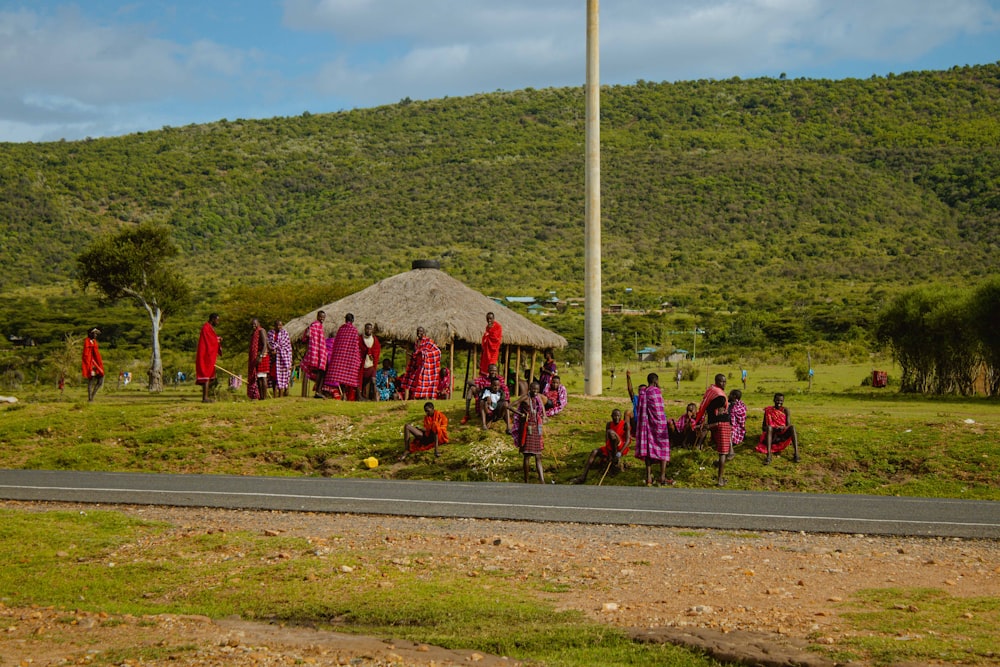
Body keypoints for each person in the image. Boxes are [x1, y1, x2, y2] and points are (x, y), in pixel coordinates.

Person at [573, 408, 631, 484]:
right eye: (614, 416)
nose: (616, 418)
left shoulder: (625, 424)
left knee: (611, 432)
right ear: (611, 416)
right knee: (594, 452)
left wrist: (619, 453)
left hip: (621, 447)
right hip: (610, 447)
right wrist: (609, 454)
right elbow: (607, 441)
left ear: (620, 416)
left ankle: (614, 457)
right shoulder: (609, 424)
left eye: (618, 416)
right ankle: (583, 476)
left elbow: (627, 441)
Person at [633, 372, 671, 486]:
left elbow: (641, 411)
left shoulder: (643, 393)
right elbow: (660, 412)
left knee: (648, 451)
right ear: (655, 381)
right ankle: (662, 477)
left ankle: (649, 477)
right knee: (664, 449)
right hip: (659, 427)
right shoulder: (656, 392)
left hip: (646, 427)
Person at [696, 373, 731, 486]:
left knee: (723, 450)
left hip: (715, 423)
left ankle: (727, 457)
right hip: (722, 424)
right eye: (722, 381)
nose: (724, 383)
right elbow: (718, 411)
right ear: (717, 381)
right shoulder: (720, 396)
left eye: (725, 381)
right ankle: (720, 480)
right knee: (722, 453)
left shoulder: (711, 391)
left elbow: (708, 408)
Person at [511, 381, 546, 483]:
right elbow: (509, 406)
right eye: (533, 389)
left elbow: (542, 410)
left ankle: (542, 481)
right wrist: (520, 414)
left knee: (538, 455)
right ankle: (526, 481)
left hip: (536, 428)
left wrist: (543, 417)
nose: (535, 391)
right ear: (529, 389)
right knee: (527, 455)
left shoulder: (538, 398)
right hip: (527, 428)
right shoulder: (525, 397)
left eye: (537, 390)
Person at [755, 393, 800, 464]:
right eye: (777, 400)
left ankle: (796, 454)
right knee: (769, 427)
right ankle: (769, 456)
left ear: (783, 401)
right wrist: (773, 428)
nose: (779, 402)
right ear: (774, 400)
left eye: (781, 401)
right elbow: (763, 427)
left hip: (782, 435)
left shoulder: (785, 410)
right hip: (772, 436)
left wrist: (782, 427)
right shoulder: (768, 410)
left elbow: (788, 425)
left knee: (792, 427)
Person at [327, 313, 362, 400]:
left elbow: (336, 344)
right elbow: (355, 346)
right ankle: (345, 395)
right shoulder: (354, 330)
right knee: (348, 376)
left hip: (340, 358)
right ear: (353, 320)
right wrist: (357, 358)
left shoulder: (341, 329)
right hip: (349, 358)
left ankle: (343, 394)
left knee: (341, 376)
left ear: (345, 320)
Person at [401, 327, 441, 400]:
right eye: (418, 331)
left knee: (424, 383)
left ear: (424, 332)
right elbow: (417, 354)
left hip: (425, 366)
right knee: (416, 382)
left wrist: (424, 354)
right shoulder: (416, 343)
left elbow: (437, 351)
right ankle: (417, 398)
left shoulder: (428, 341)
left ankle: (425, 398)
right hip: (418, 366)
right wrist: (414, 356)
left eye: (421, 331)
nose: (419, 333)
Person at [301, 311, 328, 398]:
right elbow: (307, 335)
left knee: (322, 371)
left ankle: (318, 391)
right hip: (315, 352)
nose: (322, 318)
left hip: (320, 351)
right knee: (321, 371)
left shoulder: (320, 326)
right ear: (317, 316)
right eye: (320, 317)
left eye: (323, 317)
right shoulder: (314, 325)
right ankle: (318, 391)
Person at [195, 313, 221, 403]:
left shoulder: (209, 328)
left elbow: (211, 339)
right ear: (213, 319)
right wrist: (217, 340)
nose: (218, 322)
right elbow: (210, 341)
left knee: (210, 377)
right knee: (206, 376)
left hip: (207, 356)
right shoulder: (206, 327)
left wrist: (217, 339)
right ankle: (205, 398)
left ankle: (206, 396)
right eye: (217, 320)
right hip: (205, 356)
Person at [268, 320, 292, 397]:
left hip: (282, 361)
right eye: (277, 325)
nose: (279, 327)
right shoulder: (270, 334)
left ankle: (281, 395)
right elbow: (268, 344)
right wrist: (272, 350)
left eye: (280, 325)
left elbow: (287, 347)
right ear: (274, 326)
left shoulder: (285, 334)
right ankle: (275, 395)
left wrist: (277, 351)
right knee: (274, 378)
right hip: (273, 360)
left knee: (281, 378)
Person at [247, 318, 269, 400]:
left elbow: (264, 345)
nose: (253, 325)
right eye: (252, 324)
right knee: (259, 377)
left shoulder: (261, 331)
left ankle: (264, 397)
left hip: (262, 356)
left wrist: (260, 356)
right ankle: (261, 396)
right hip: (257, 357)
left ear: (258, 323)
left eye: (255, 324)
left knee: (263, 377)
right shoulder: (253, 333)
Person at [82, 327, 105, 402]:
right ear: (90, 334)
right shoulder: (87, 342)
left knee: (100, 380)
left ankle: (92, 396)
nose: (95, 335)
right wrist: (90, 366)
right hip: (91, 363)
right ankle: (90, 398)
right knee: (91, 380)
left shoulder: (94, 342)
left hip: (97, 363)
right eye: (94, 333)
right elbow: (86, 355)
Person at [359, 322, 381, 401]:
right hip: (362, 365)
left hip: (371, 365)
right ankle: (361, 397)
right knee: (361, 382)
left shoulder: (374, 340)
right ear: (364, 329)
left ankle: (375, 398)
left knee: (373, 380)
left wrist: (373, 355)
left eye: (370, 329)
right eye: (367, 328)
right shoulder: (360, 339)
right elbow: (358, 350)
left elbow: (377, 350)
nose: (368, 330)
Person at [479, 311, 503, 376]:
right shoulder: (487, 326)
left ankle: (492, 377)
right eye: (487, 319)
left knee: (491, 364)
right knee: (485, 363)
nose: (489, 320)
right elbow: (487, 336)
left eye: (490, 319)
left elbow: (496, 339)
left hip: (493, 350)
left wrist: (489, 332)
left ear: (493, 318)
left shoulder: (498, 327)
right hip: (487, 350)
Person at [728, 389, 747, 459]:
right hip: (738, 427)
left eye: (730, 394)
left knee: (728, 429)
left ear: (734, 396)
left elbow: (733, 420)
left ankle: (731, 451)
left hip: (737, 429)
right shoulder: (740, 405)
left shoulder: (735, 407)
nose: (728, 395)